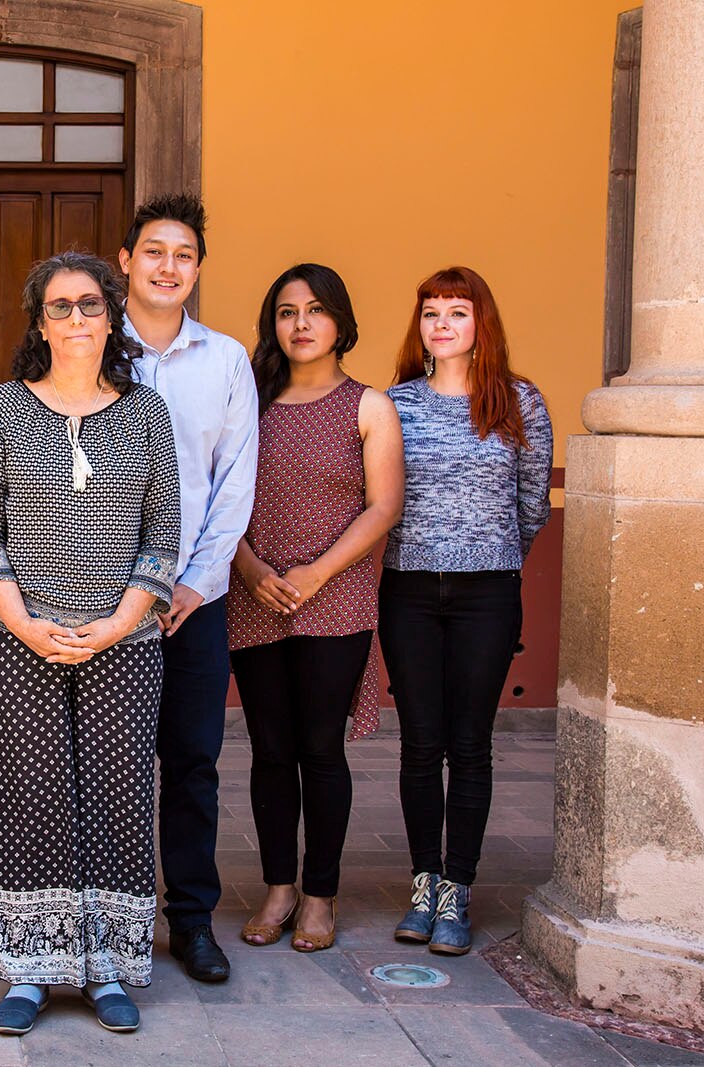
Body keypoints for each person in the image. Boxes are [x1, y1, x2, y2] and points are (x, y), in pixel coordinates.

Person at [0, 251, 181, 1037]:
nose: (78, 318)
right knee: (30, 797)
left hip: (121, 641)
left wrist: (120, 622)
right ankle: (31, 969)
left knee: (119, 797)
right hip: (19, 639)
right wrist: (24, 621)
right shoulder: (4, 410)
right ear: (40, 321)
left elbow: (164, 533)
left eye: (90, 304)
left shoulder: (146, 413)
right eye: (61, 307)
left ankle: (109, 969)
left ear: (112, 314)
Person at [227, 264, 403, 952]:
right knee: (270, 750)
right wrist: (252, 568)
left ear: (340, 322)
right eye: (286, 311)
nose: (300, 323)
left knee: (319, 749)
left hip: (338, 597)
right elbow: (218, 495)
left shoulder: (369, 406)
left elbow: (383, 505)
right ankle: (278, 887)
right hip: (255, 593)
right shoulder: (249, 401)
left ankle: (320, 894)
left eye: (315, 310)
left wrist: (317, 572)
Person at [381, 265, 553, 955]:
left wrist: (494, 551)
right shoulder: (393, 402)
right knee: (421, 742)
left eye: (457, 311)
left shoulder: (519, 402)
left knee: (470, 743)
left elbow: (532, 504)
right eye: (430, 313)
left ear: (482, 324)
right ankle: (423, 886)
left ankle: (458, 891)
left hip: (487, 591)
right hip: (410, 591)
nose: (442, 324)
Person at [117, 193, 258, 983]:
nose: (169, 266)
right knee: (114, 761)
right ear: (126, 262)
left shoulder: (227, 359)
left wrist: (197, 584)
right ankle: (122, 912)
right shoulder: (92, 346)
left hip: (193, 603)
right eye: (155, 252)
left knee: (193, 761)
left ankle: (193, 919)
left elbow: (234, 480)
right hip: (103, 596)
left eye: (184, 255)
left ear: (197, 269)